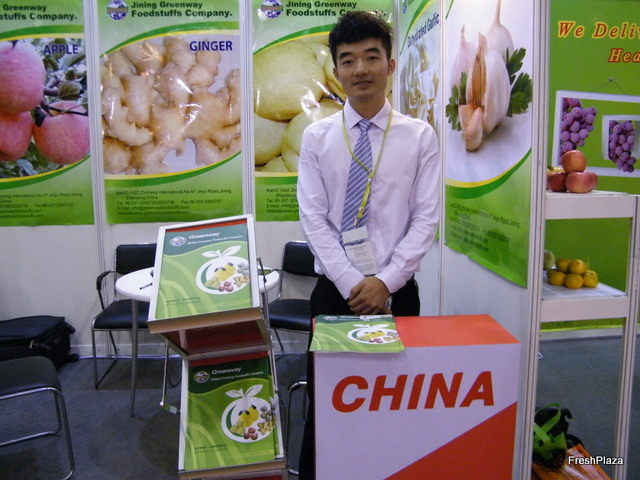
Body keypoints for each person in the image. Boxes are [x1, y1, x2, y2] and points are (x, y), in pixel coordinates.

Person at [295, 10, 440, 479]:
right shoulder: (316, 138)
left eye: (371, 57)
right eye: (348, 59)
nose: (360, 69)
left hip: (398, 295)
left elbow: (426, 219)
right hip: (335, 296)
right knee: (328, 406)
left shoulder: (420, 137)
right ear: (336, 70)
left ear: (390, 65)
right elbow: (313, 219)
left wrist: (386, 282)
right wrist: (353, 282)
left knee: (395, 402)